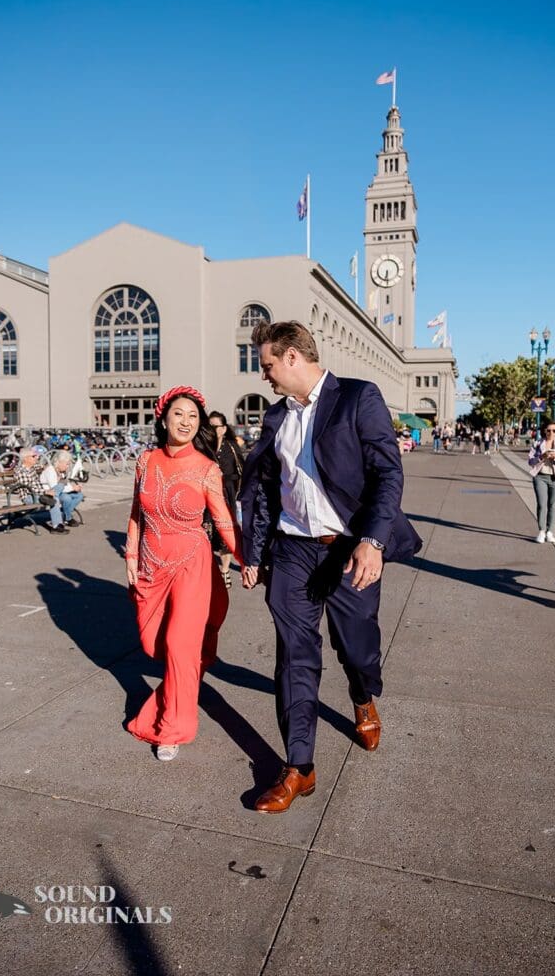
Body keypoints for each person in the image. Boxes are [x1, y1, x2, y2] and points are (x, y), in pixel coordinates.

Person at [240, 320, 421, 813]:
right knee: (295, 654)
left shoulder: (358, 398)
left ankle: (363, 695)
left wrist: (372, 540)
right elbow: (262, 491)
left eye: (269, 364)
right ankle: (300, 766)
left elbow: (388, 472)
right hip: (294, 550)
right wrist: (253, 553)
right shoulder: (276, 418)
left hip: (347, 549)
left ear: (293, 357)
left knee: (358, 648)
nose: (265, 375)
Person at [124, 386, 244, 762]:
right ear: (164, 418)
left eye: (193, 416)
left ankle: (172, 728)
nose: (187, 422)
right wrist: (130, 555)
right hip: (150, 565)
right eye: (180, 414)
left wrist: (247, 558)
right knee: (152, 645)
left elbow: (223, 518)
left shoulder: (207, 469)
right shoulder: (146, 461)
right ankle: (186, 678)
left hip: (193, 565)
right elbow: (136, 513)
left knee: (179, 646)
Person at [208, 411, 244, 588]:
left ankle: (225, 569)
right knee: (207, 532)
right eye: (209, 426)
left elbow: (242, 470)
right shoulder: (203, 447)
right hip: (206, 496)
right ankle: (208, 570)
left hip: (227, 495)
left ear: (223, 428)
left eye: (215, 426)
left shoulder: (231, 447)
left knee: (225, 533)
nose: (212, 429)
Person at [12, 447, 68, 533]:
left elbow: (45, 467)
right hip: (29, 496)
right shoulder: (21, 471)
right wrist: (45, 492)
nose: (37, 457)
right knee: (54, 499)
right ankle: (56, 526)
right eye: (34, 456)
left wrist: (55, 470)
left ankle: (49, 498)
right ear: (26, 458)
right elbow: (29, 487)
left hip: (39, 494)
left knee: (60, 485)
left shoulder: (33, 467)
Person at [528, 419, 555, 543]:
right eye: (548, 430)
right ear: (544, 431)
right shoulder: (538, 444)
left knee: (552, 505)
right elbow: (530, 462)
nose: (551, 433)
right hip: (540, 477)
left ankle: (550, 531)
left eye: (554, 430)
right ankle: (541, 531)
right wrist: (541, 457)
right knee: (541, 505)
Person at [40, 450, 84, 528]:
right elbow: (55, 487)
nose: (68, 466)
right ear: (59, 462)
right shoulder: (50, 470)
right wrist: (72, 488)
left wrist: (74, 488)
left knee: (79, 495)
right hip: (50, 494)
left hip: (59, 492)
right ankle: (68, 518)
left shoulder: (61, 472)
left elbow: (65, 484)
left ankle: (65, 515)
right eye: (66, 464)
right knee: (67, 498)